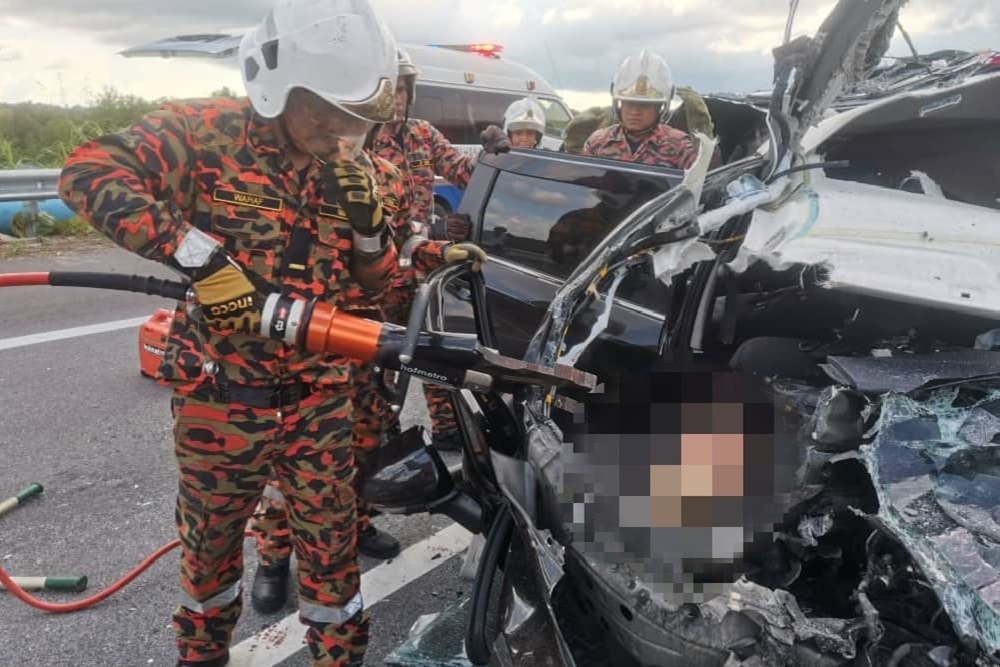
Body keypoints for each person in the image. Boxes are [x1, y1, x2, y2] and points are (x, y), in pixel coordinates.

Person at [55, 1, 479, 665]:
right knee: (208, 560)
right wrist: (199, 257)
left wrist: (381, 234)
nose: (340, 130)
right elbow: (88, 173)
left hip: (322, 401)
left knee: (334, 566)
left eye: (355, 118)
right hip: (220, 398)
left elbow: (376, 285)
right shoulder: (206, 134)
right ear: (280, 85)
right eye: (325, 112)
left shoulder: (369, 168)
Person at [372, 48, 509, 451]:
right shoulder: (360, 141)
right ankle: (382, 433)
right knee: (378, 358)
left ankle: (448, 431)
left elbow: (463, 172)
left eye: (402, 90)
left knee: (432, 353)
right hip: (377, 276)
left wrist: (493, 155)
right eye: (388, 90)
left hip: (422, 271)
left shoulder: (422, 134)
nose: (395, 99)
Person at [564, 50, 721, 168]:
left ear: (660, 108)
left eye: (645, 105)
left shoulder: (679, 145)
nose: (634, 112)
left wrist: (707, 151)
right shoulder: (598, 142)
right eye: (629, 103)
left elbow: (699, 189)